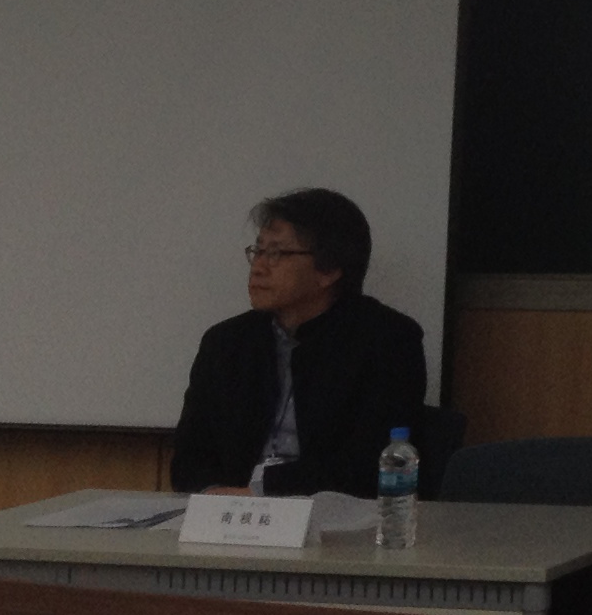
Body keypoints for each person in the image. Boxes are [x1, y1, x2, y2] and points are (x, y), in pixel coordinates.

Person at [168, 188, 429, 497]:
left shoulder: (389, 341)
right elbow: (188, 459)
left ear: (329, 270)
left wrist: (261, 491)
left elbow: (367, 464)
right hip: (230, 514)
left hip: (332, 517)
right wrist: (218, 496)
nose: (259, 266)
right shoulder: (225, 343)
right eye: (258, 251)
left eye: (277, 253)